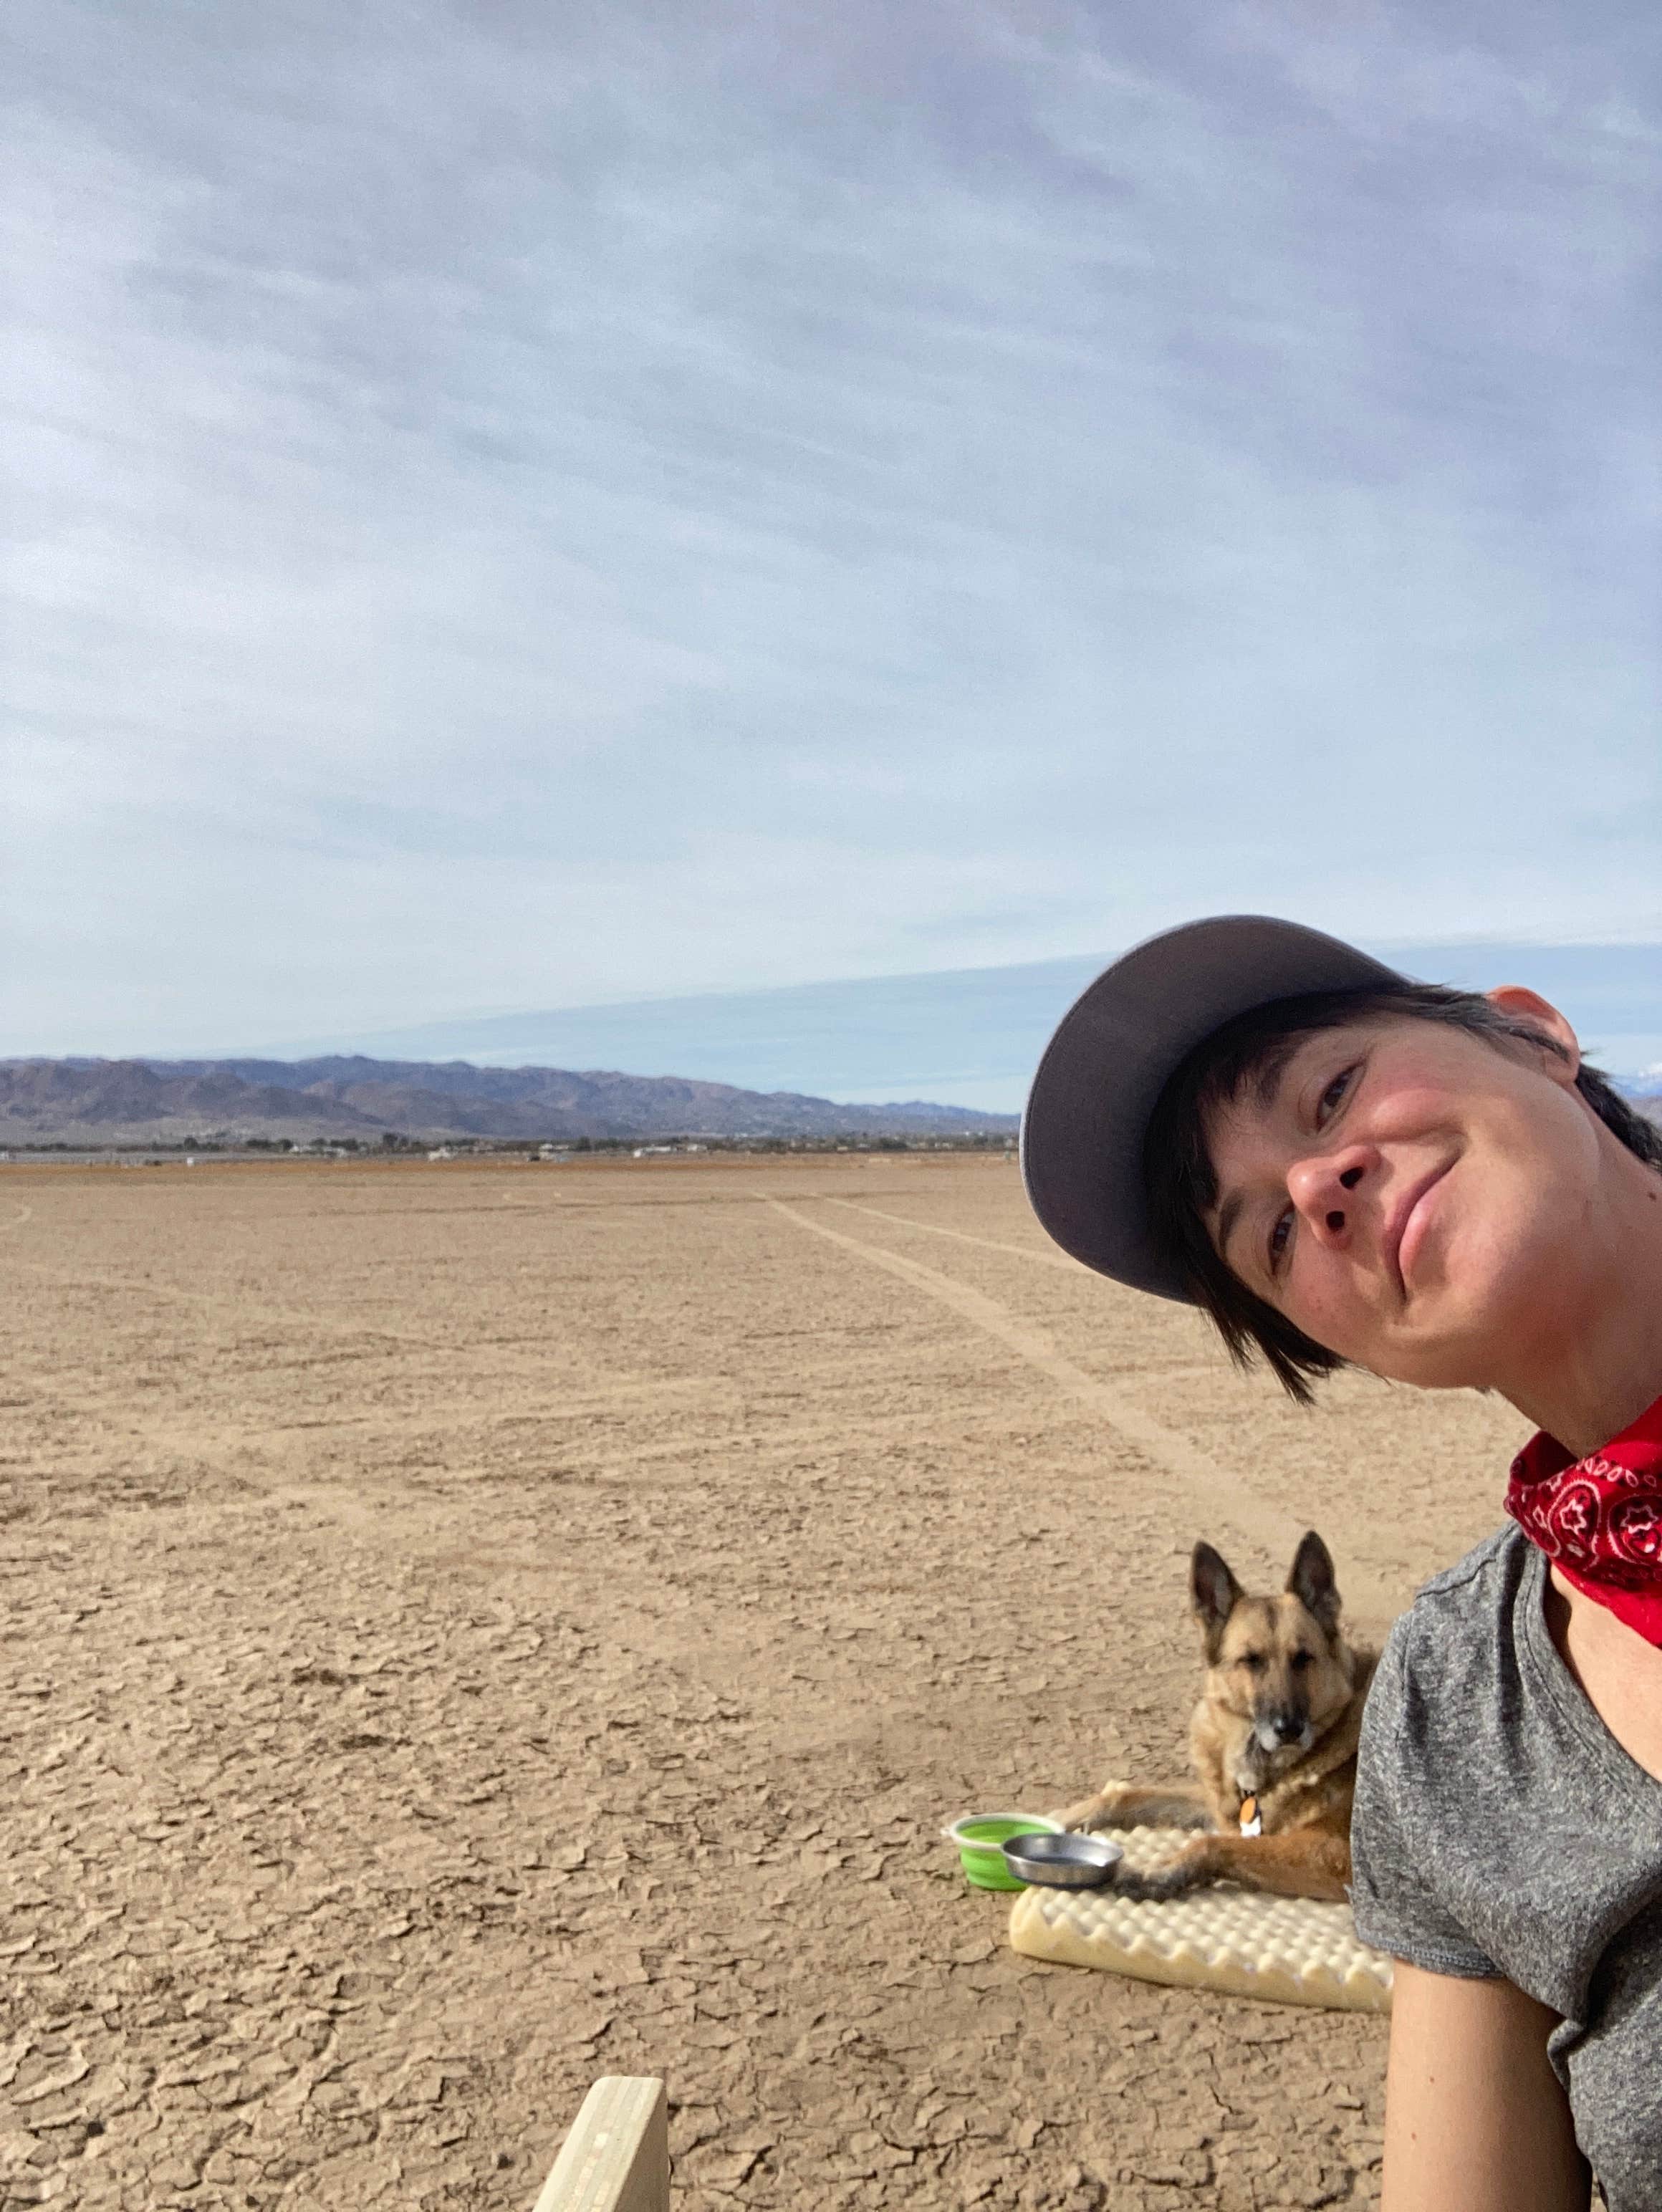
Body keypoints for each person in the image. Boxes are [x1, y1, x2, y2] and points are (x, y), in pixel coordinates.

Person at [1019, 915, 1662, 2212]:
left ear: (1537, 1037)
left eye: (1332, 1092)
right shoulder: (1460, 1700)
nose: (1318, 1188)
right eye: (1266, 1239)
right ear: (1333, 1345)